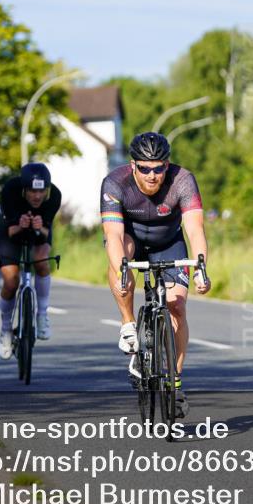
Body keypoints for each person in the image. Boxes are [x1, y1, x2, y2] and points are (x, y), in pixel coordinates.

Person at [101, 131, 211, 418]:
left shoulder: (183, 180)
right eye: (145, 168)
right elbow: (112, 235)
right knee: (120, 255)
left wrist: (200, 267)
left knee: (177, 306)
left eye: (159, 168)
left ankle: (174, 383)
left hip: (168, 243)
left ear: (168, 164)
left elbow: (195, 229)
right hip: (130, 241)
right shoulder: (114, 183)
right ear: (133, 165)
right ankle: (128, 323)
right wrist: (121, 271)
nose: (153, 175)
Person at [0, 162, 62, 360]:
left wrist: (39, 228)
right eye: (32, 191)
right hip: (10, 230)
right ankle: (6, 330)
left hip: (38, 230)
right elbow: (10, 232)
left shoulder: (54, 196)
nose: (37, 196)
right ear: (24, 189)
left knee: (41, 261)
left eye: (41, 191)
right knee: (11, 281)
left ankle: (42, 315)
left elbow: (45, 233)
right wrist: (20, 224)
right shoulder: (10, 191)